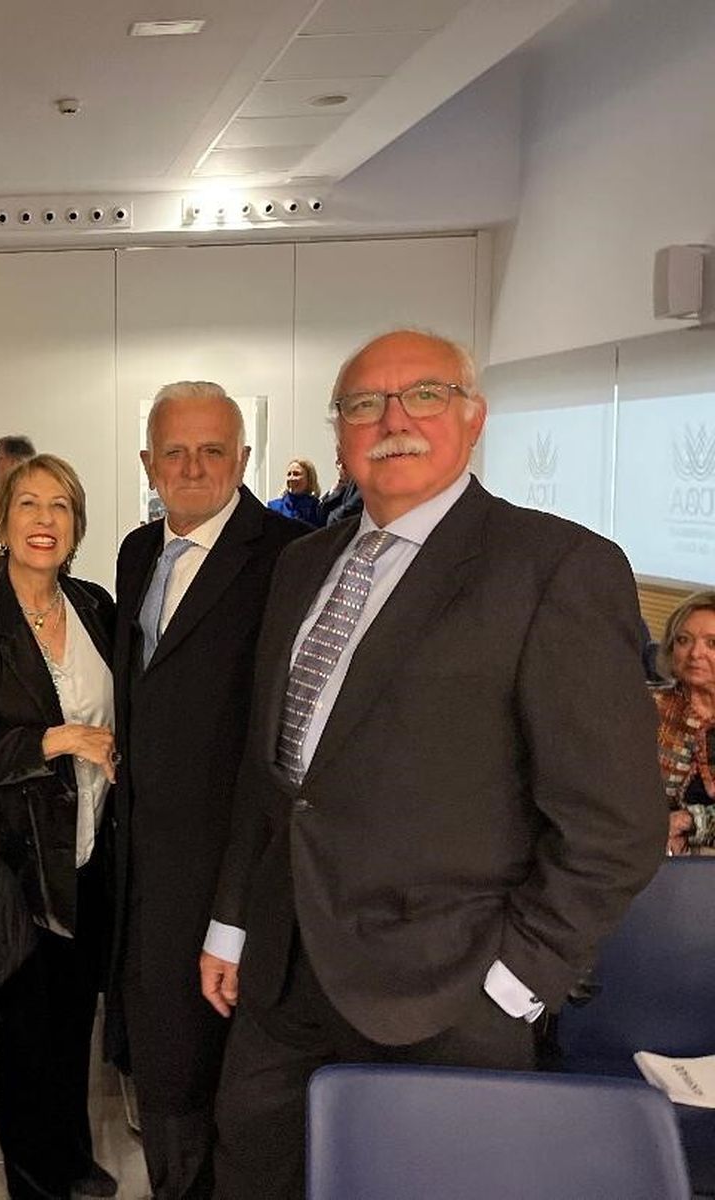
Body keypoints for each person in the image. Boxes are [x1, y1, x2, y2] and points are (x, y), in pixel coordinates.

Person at [200, 330, 665, 1199]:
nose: (392, 421)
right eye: (364, 404)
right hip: (283, 974)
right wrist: (233, 920)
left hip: (449, 992)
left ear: (473, 417)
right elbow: (276, 774)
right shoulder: (303, 567)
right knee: (253, 1169)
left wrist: (518, 982)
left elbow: (617, 824)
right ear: (339, 432)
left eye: (423, 395)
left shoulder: (555, 566)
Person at [103, 384, 305, 1199]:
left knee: (223, 1086)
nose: (192, 467)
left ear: (244, 460)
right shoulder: (133, 551)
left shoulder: (290, 557)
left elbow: (277, 741)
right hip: (140, 866)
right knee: (161, 1071)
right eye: (174, 452)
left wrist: (240, 901)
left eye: (212, 450)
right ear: (148, 463)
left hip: (229, 870)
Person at [0, 453, 118, 1200]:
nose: (45, 521)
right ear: (1, 520)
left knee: (77, 1027)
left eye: (61, 507)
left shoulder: (95, 604)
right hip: (16, 868)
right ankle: (34, 1181)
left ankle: (73, 1159)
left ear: (76, 524)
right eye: (30, 505)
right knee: (25, 1038)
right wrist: (56, 739)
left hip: (93, 855)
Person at [659, 592, 715, 854]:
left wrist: (691, 821)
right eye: (684, 640)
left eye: (712, 644)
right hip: (646, 856)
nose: (695, 654)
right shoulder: (643, 707)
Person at [266, 458, 321, 527]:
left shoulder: (318, 509)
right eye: (289, 474)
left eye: (296, 474)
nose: (291, 478)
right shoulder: (274, 507)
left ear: (309, 479)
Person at [315, 460, 361, 526]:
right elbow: (322, 511)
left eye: (343, 464)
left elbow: (346, 512)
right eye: (339, 463)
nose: (339, 467)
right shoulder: (341, 489)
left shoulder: (362, 484)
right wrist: (333, 492)